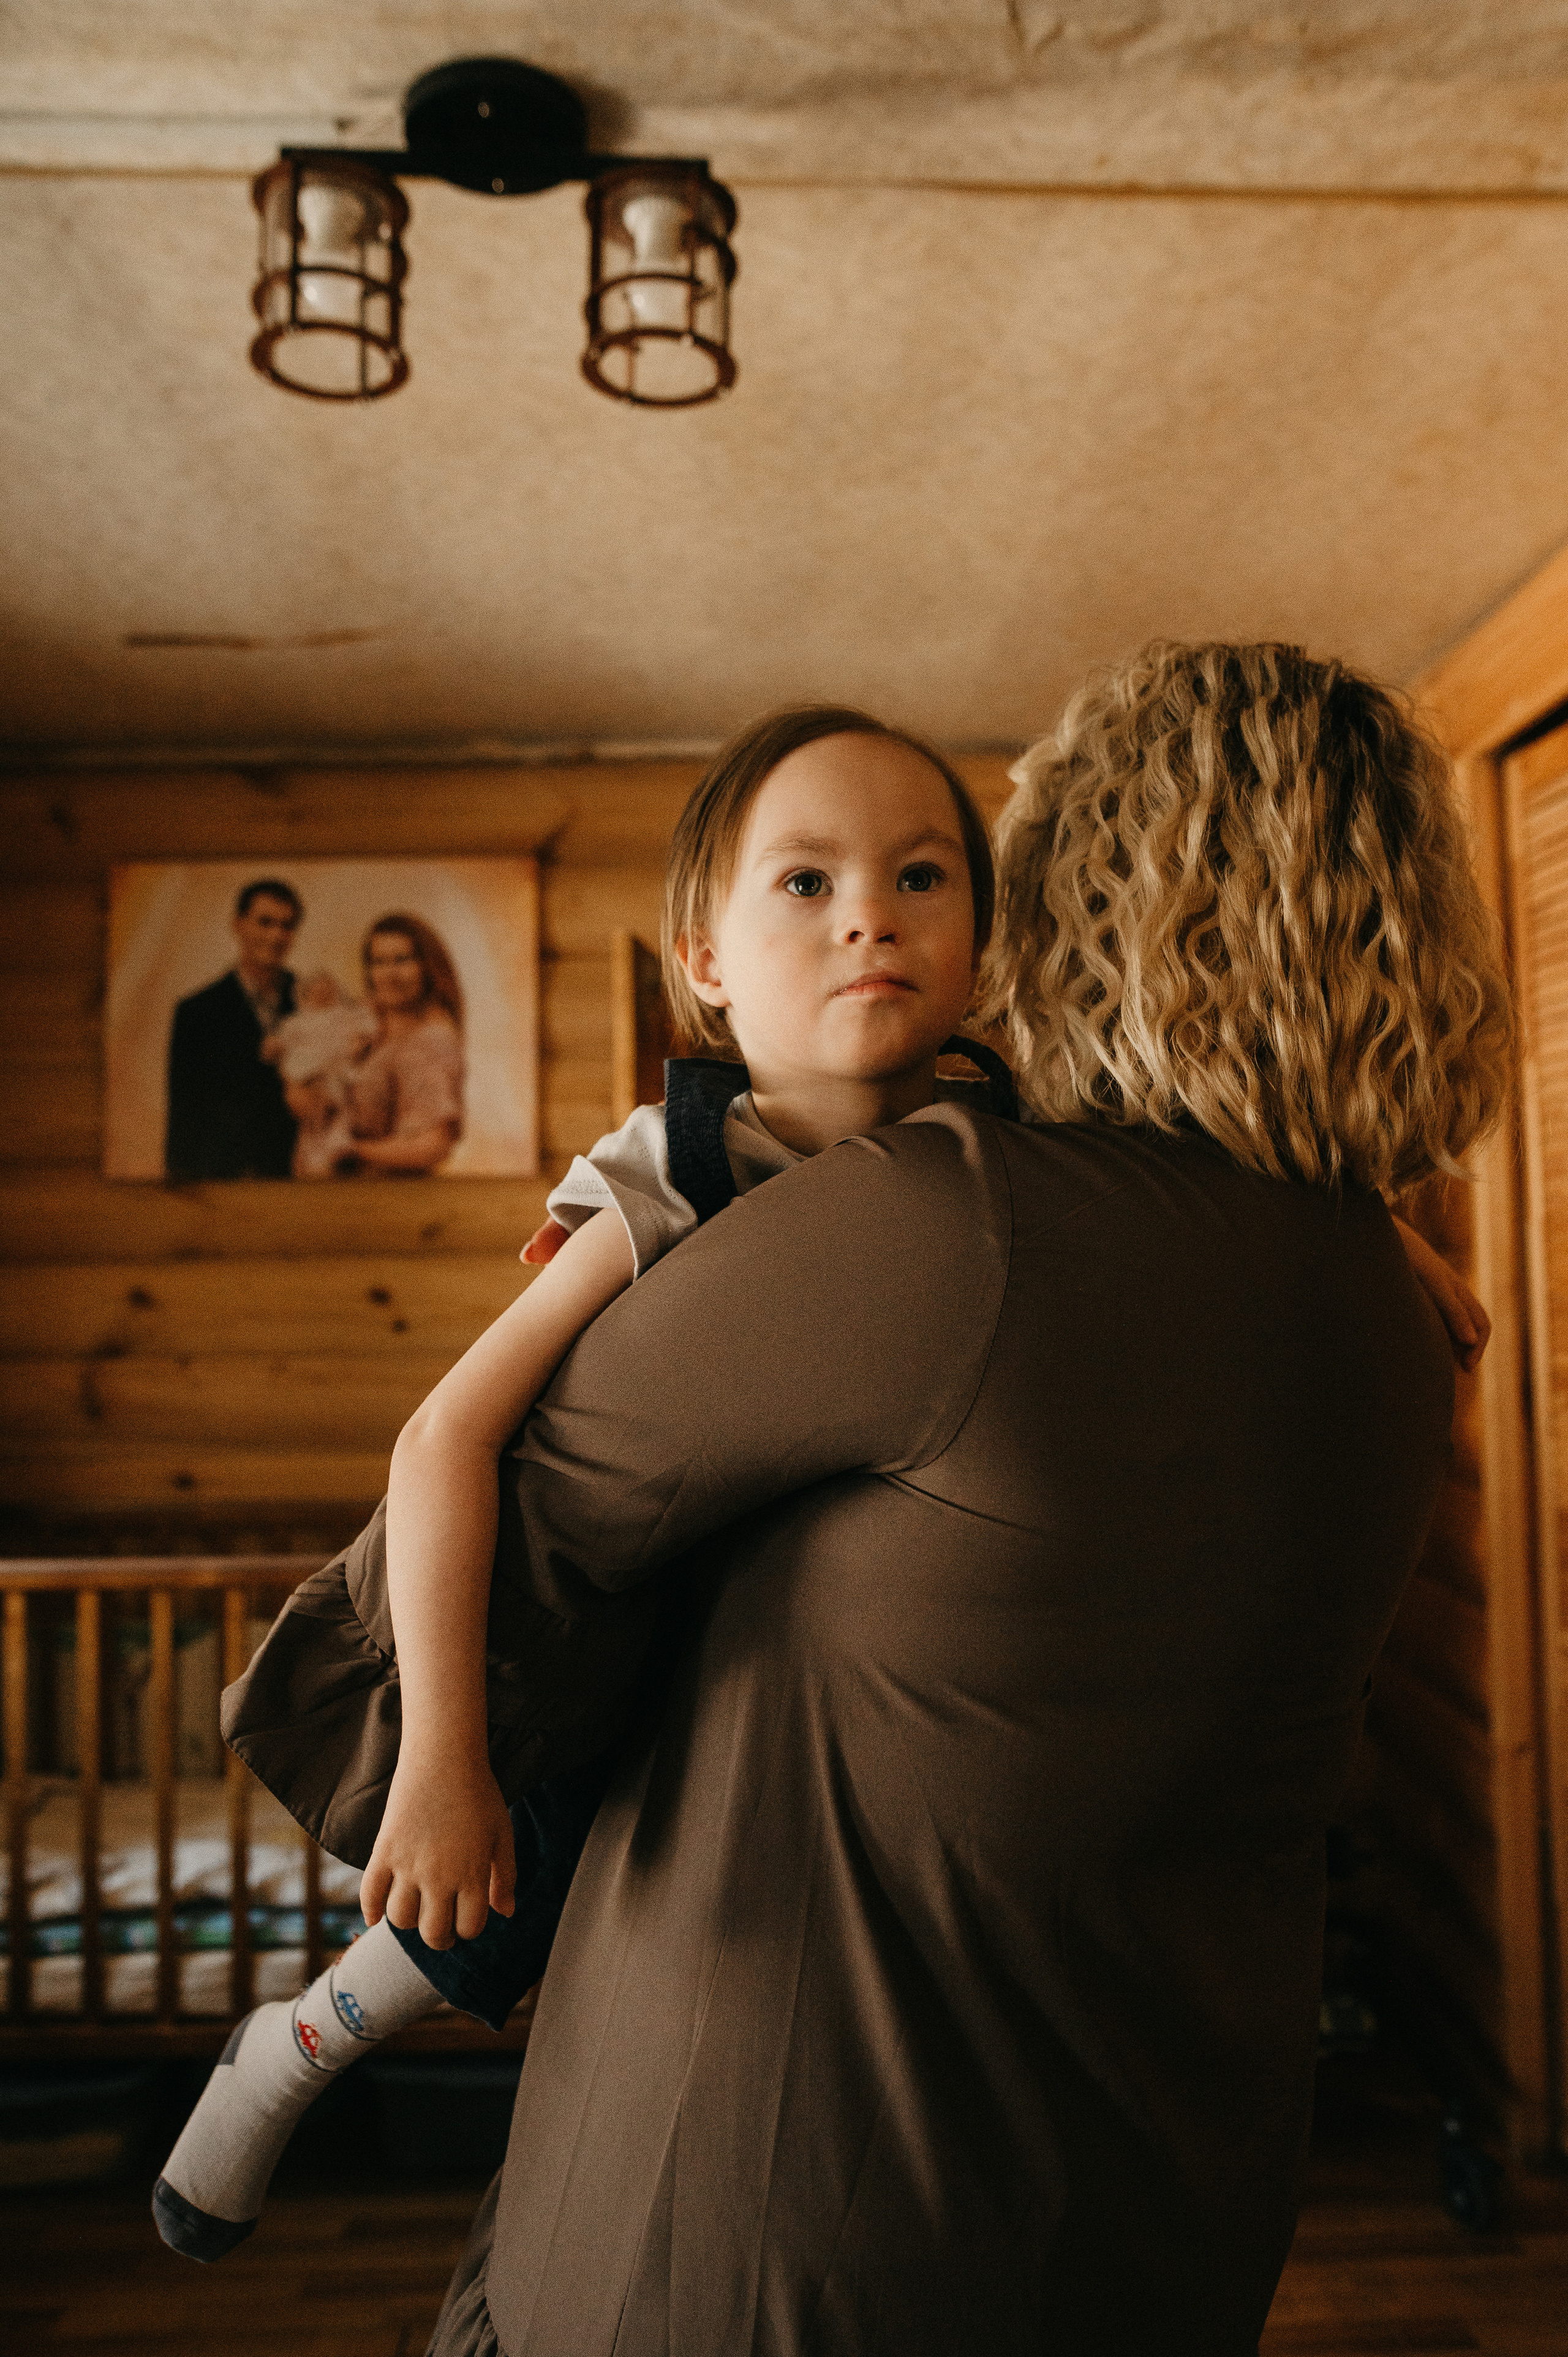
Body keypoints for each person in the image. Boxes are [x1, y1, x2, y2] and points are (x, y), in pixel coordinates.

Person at [194, 660, 1498, 2349]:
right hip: (1181, 2163)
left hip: (797, 2208)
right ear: (710, 962)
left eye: (925, 877)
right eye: (803, 881)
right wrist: (1383, 1219)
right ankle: (304, 2038)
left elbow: (542, 1504)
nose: (868, 922)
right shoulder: (1364, 1305)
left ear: (1050, 919)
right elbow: (451, 1432)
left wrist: (432, 1732)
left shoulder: (956, 1204)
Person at [285, 914, 465, 1178]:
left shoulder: (429, 1042)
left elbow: (432, 1145)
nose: (389, 974)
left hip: (382, 1199)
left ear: (426, 967)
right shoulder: (363, 1021)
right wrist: (299, 1089)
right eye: (378, 962)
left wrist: (349, 1153)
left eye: (402, 960)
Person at [164, 878, 302, 1180]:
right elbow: (185, 1115)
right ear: (238, 925)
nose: (277, 935)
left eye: (287, 925)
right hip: (224, 1178)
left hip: (297, 1177)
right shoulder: (196, 1012)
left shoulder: (312, 1001)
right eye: (265, 923)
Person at [262, 970, 379, 1179]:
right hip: (309, 1072)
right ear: (306, 994)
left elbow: (367, 1027)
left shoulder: (344, 1014)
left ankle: (336, 1148)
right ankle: (310, 1159)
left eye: (329, 988)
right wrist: (274, 1046)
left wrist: (362, 1037)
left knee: (339, 1113)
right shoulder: (299, 1020)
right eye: (318, 989)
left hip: (337, 1072)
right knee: (311, 1122)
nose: (324, 992)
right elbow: (282, 1040)